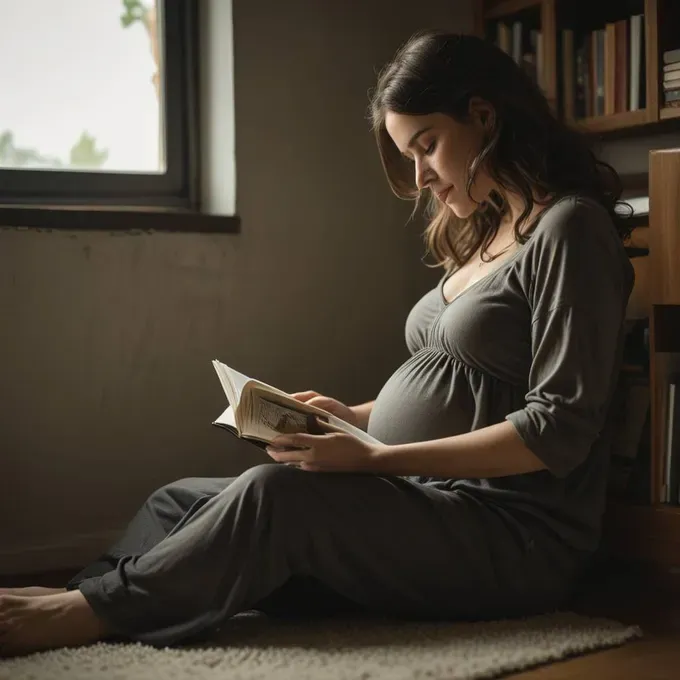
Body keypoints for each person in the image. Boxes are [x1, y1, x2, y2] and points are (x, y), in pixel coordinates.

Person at [0, 29, 634, 657]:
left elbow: (557, 429)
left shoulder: (569, 230)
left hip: (510, 535)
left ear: (484, 116)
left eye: (428, 147)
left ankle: (85, 614)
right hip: (427, 501)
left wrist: (377, 459)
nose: (420, 178)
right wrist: (353, 419)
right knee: (180, 500)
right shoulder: (490, 229)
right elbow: (474, 388)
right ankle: (86, 596)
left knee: (275, 497)